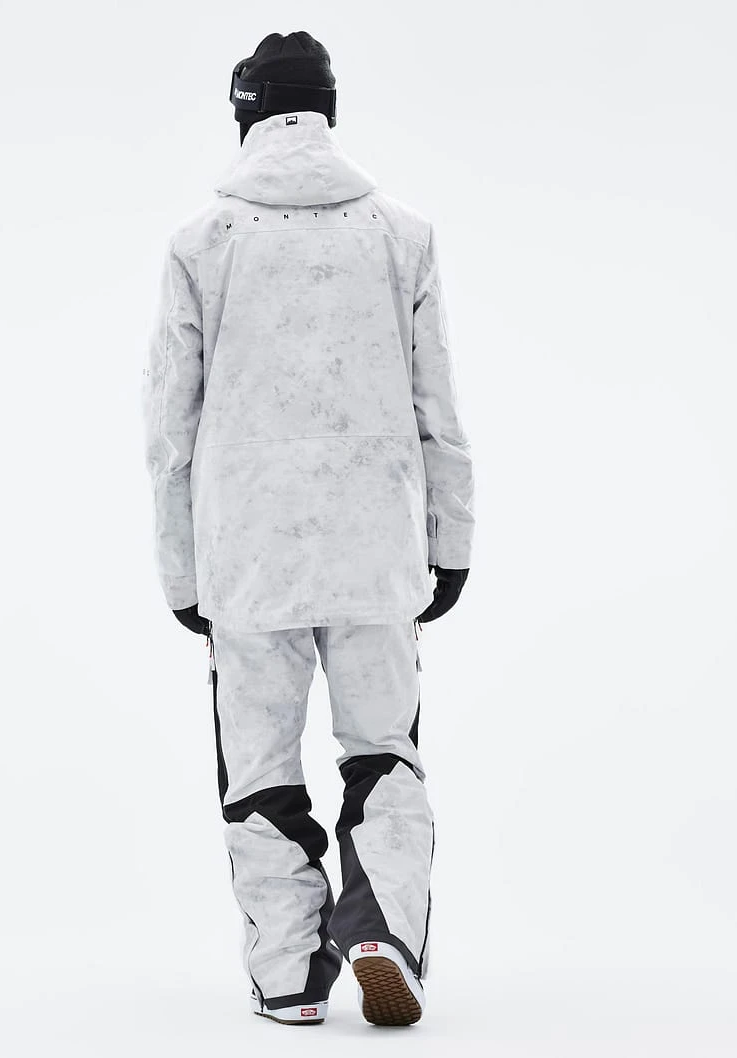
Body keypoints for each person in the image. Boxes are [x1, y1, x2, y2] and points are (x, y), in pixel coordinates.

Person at [142, 30, 474, 1027]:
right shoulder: (402, 234)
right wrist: (450, 542)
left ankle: (289, 975)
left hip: (247, 554)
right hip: (375, 550)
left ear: (244, 112)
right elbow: (439, 410)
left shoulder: (202, 242)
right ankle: (382, 929)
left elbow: (169, 431)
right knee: (384, 751)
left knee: (259, 765)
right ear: (328, 111)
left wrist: (181, 572)